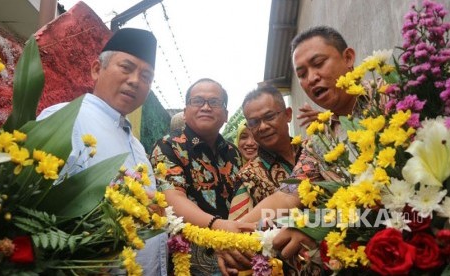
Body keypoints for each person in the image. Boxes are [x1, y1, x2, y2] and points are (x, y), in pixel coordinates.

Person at [37, 28, 168, 276]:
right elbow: (39, 217)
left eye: (146, 76)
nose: (135, 80)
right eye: (126, 67)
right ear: (97, 69)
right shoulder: (65, 119)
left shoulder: (137, 147)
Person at [240, 26, 359, 265]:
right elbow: (287, 196)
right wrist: (232, 235)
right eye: (302, 74)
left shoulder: (394, 97)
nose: (312, 78)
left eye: (319, 63)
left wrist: (317, 223)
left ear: (348, 58)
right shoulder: (321, 141)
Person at [149, 78, 255, 275]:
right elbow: (172, 198)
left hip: (237, 257)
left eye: (214, 102)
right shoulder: (168, 147)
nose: (206, 107)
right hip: (189, 262)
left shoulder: (233, 152)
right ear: (186, 110)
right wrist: (218, 227)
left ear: (225, 115)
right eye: (198, 101)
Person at [227, 85, 304, 221]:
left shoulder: (313, 150)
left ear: (288, 114)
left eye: (269, 117)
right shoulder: (249, 178)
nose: (262, 127)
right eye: (254, 122)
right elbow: (238, 234)